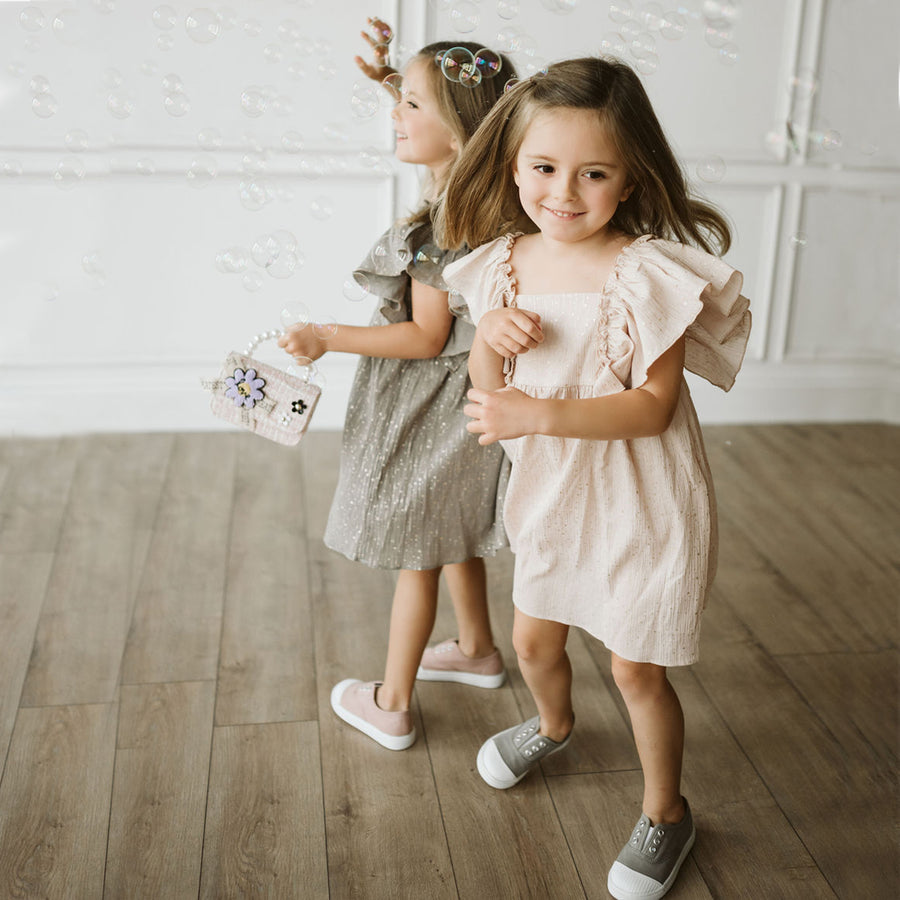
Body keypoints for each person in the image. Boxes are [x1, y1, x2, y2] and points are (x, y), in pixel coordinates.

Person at [438, 57, 750, 900]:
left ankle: (667, 811)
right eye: (543, 167)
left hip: (643, 500)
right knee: (537, 642)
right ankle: (552, 722)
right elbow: (486, 396)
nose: (564, 192)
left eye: (593, 173)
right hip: (551, 494)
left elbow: (651, 409)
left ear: (629, 177)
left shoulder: (648, 275)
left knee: (635, 669)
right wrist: (488, 349)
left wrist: (534, 414)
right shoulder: (500, 265)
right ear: (512, 165)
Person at [278, 25, 516, 752]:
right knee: (454, 525)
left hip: (437, 400)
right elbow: (462, 116)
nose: (395, 115)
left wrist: (327, 337)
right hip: (474, 399)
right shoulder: (488, 186)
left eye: (411, 104)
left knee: (418, 546)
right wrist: (391, 77)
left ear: (459, 128)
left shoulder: (448, 221)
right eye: (399, 100)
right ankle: (475, 650)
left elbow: (423, 336)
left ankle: (392, 701)